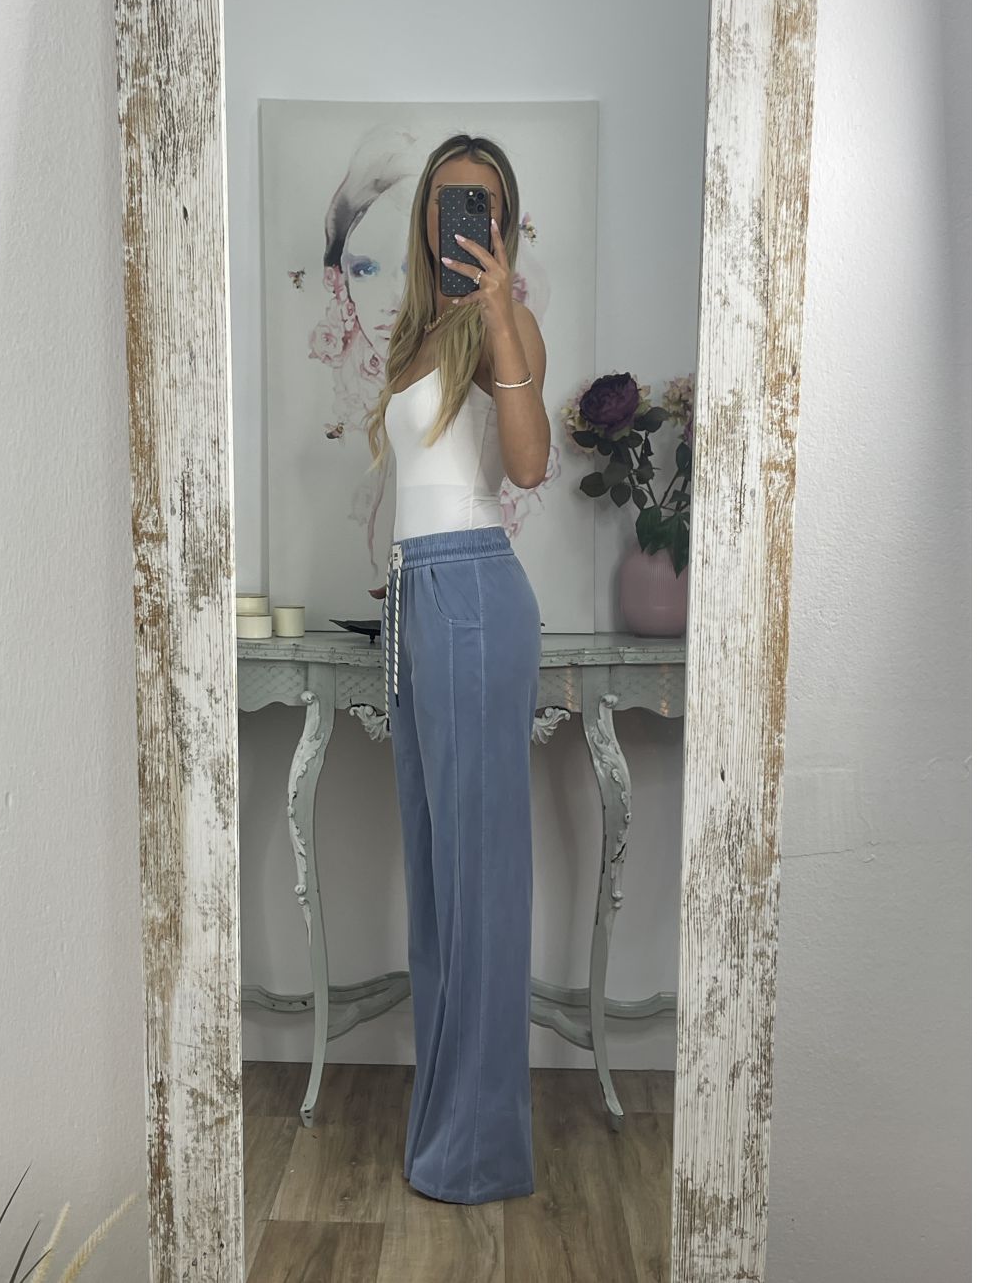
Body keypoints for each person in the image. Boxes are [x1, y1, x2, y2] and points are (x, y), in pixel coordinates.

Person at [362, 133, 550, 1205]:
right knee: (440, 881)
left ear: (503, 222)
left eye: (478, 202)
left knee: (481, 883)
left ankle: (479, 1153)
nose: (458, 219)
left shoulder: (499, 326)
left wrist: (502, 314)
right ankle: (447, 1126)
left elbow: (526, 465)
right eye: (444, 202)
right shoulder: (419, 332)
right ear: (424, 218)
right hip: (421, 601)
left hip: (474, 594)